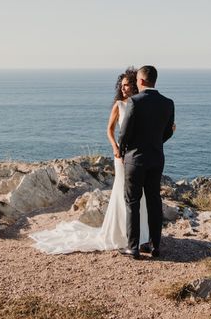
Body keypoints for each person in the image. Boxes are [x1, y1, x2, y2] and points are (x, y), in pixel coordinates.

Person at [29, 68, 149, 254]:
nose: (124, 88)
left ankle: (139, 236)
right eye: (122, 85)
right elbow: (109, 130)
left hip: (137, 154)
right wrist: (115, 148)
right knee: (120, 191)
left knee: (137, 195)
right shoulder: (119, 105)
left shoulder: (140, 104)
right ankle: (120, 234)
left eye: (128, 85)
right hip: (121, 154)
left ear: (135, 85)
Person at [118, 65, 175, 259]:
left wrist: (124, 151)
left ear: (140, 81)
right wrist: (156, 144)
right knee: (154, 201)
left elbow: (124, 133)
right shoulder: (168, 103)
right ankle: (155, 246)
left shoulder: (134, 101)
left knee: (132, 202)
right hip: (157, 158)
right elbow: (168, 132)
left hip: (135, 159)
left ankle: (133, 247)